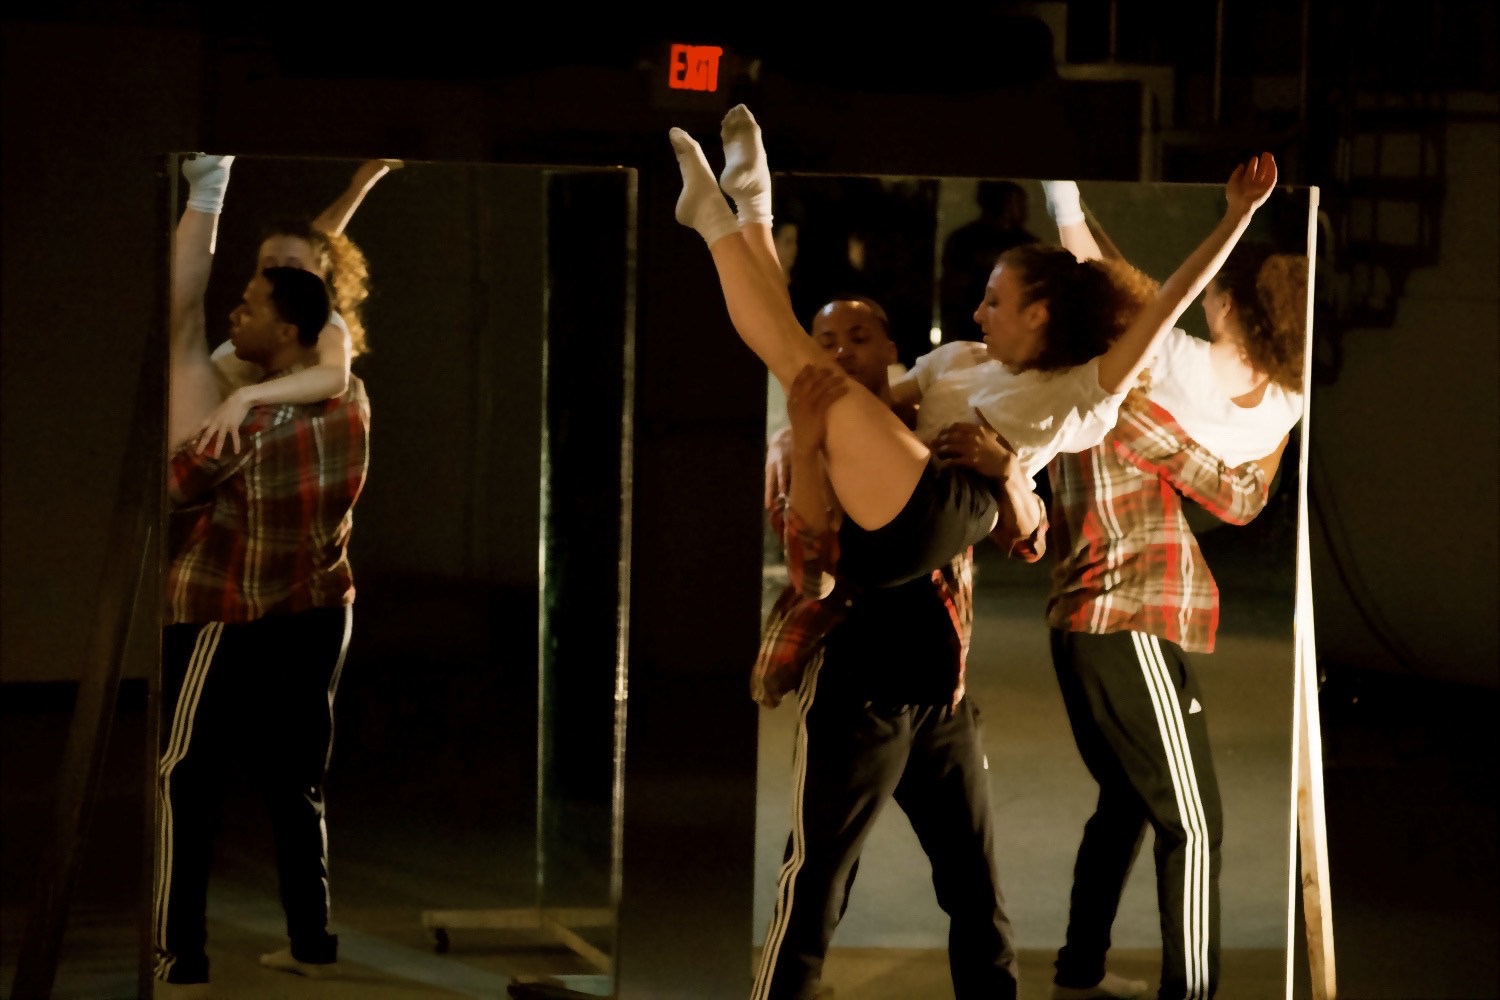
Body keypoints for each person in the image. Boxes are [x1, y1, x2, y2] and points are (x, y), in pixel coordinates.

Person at [671, 105, 1279, 589]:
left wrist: (1236, 218)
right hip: (888, 503)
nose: (976, 312)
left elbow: (1167, 301)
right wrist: (799, 436)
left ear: (1038, 315)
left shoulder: (1080, 392)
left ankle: (727, 217)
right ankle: (748, 210)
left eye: (993, 302)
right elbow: (871, 407)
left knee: (797, 358)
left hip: (930, 515)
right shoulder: (959, 359)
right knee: (805, 363)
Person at [987, 181, 1307, 1000]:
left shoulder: (1068, 391)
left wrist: (1069, 211)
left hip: (1088, 625)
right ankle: (1190, 992)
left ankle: (1078, 975)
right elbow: (1234, 500)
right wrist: (1277, 445)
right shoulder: (1122, 403)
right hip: (1129, 616)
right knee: (1195, 827)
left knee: (1128, 803)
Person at [752, 294, 1045, 1000]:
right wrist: (809, 435)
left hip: (943, 703)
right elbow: (813, 570)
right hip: (858, 697)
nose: (844, 350)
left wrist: (1005, 469)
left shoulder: (944, 428)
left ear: (892, 349)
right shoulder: (798, 447)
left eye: (860, 336)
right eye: (827, 341)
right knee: (816, 879)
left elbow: (1029, 540)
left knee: (976, 888)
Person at [155, 156, 376, 998]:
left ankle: (179, 960)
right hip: (316, 606)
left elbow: (177, 489)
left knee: (186, 776)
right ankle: (312, 942)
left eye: (253, 299)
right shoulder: (347, 396)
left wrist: (222, 414)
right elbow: (321, 264)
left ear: (286, 323)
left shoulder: (247, 415)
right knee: (297, 778)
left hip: (226, 609)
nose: (239, 305)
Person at [939, 179, 1039, 343]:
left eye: (1020, 202)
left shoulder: (1028, 244)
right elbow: (952, 293)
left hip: (1017, 332)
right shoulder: (964, 241)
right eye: (1013, 202)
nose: (1021, 208)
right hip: (969, 330)